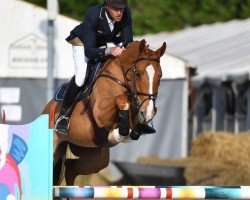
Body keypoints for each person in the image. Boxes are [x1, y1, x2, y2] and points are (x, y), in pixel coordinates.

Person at [54, 0, 156, 136]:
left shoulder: (125, 13)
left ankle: (139, 121)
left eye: (122, 9)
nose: (119, 12)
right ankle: (63, 116)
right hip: (83, 43)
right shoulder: (93, 14)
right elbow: (89, 51)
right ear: (107, 6)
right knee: (80, 77)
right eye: (116, 9)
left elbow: (127, 41)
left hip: (105, 40)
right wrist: (109, 51)